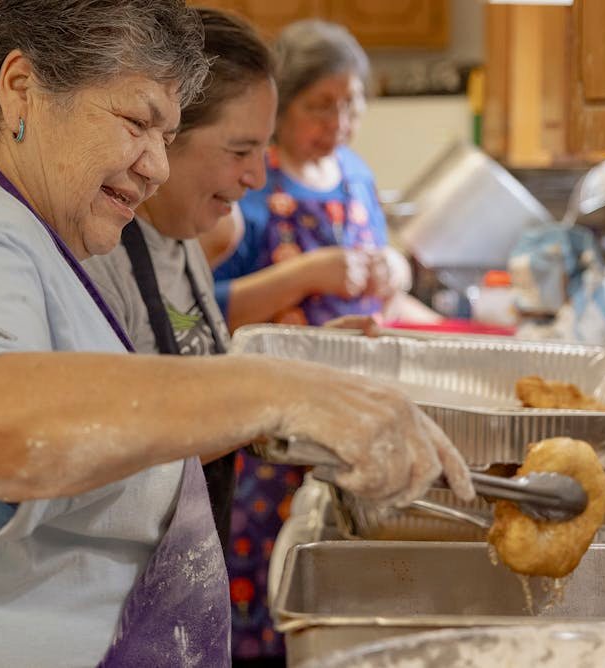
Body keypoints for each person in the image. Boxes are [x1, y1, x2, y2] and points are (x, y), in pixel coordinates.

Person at [0, 2, 472, 667]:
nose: (157, 164)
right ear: (21, 89)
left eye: (166, 137)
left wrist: (293, 374)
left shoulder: (19, 230)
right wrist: (271, 387)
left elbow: (101, 418)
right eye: (137, 122)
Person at [208, 19, 440, 663]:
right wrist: (309, 273)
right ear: (281, 105)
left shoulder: (357, 176)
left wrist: (393, 272)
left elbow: (379, 293)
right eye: (321, 105)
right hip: (274, 434)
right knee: (267, 586)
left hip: (352, 419)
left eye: (353, 102)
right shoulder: (251, 185)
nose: (339, 119)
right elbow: (210, 312)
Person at [80, 7, 274, 552]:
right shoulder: (99, 261)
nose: (257, 176)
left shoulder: (182, 237)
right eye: (241, 151)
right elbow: (109, 465)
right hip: (121, 601)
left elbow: (188, 364)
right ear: (167, 134)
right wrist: (268, 406)